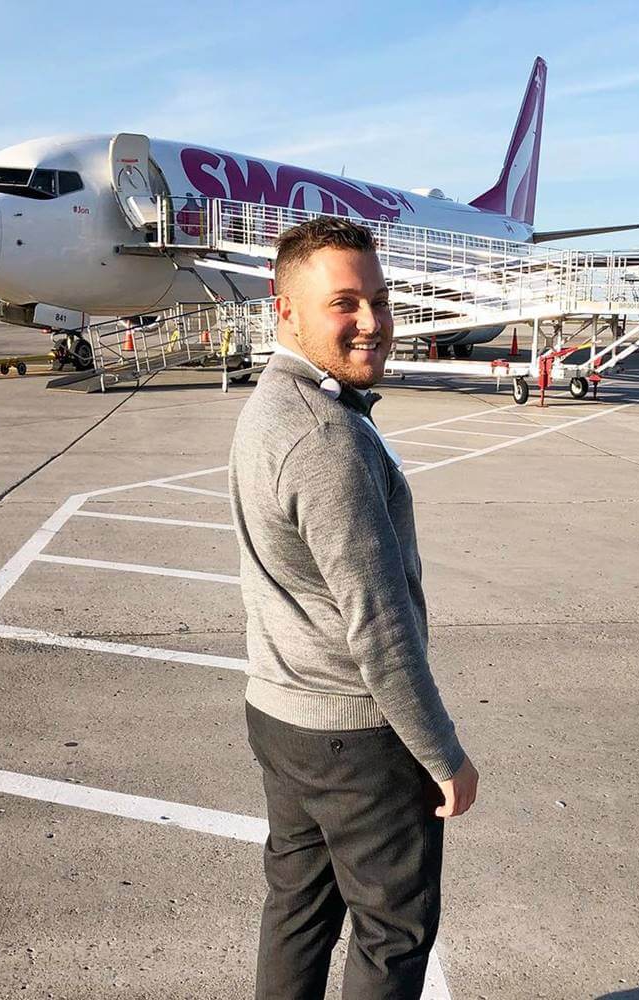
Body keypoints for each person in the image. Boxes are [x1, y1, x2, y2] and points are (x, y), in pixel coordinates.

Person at [228, 216, 478, 1000]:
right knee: (392, 933)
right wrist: (442, 755)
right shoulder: (324, 438)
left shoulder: (273, 404)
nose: (371, 321)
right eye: (344, 302)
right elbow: (379, 628)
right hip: (355, 737)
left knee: (297, 911)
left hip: (282, 714)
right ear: (287, 309)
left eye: (380, 299)